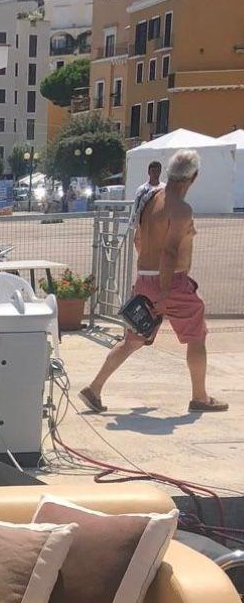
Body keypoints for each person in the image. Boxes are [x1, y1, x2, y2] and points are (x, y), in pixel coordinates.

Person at [80, 148, 227, 414]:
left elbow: (139, 238)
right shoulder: (180, 208)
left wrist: (150, 279)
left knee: (132, 340)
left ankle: (94, 388)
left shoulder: (150, 199)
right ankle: (200, 397)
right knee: (196, 335)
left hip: (145, 278)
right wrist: (165, 292)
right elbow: (170, 252)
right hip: (171, 283)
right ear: (193, 177)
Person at [131, 159, 162, 225]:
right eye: (153, 171)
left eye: (158, 171)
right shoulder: (142, 189)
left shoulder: (164, 188)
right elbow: (136, 208)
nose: (156, 174)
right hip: (145, 222)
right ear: (149, 172)